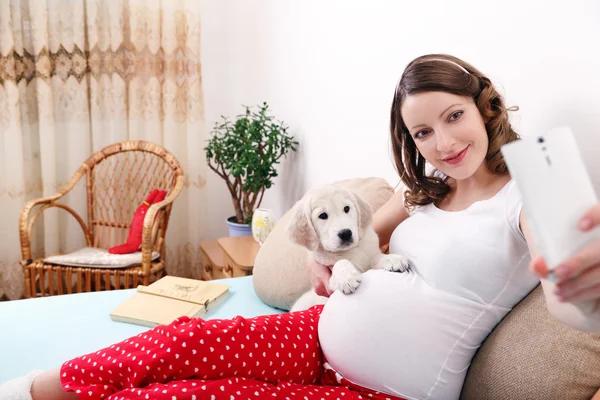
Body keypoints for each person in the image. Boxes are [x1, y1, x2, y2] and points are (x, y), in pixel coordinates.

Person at [4, 54, 600, 400]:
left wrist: (581, 294)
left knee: (173, 397)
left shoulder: (525, 196)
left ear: (482, 107)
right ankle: (28, 390)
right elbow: (351, 235)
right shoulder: (420, 194)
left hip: (379, 390)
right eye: (423, 133)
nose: (443, 143)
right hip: (312, 334)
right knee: (178, 340)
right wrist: (320, 263)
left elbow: (570, 303)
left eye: (453, 117)